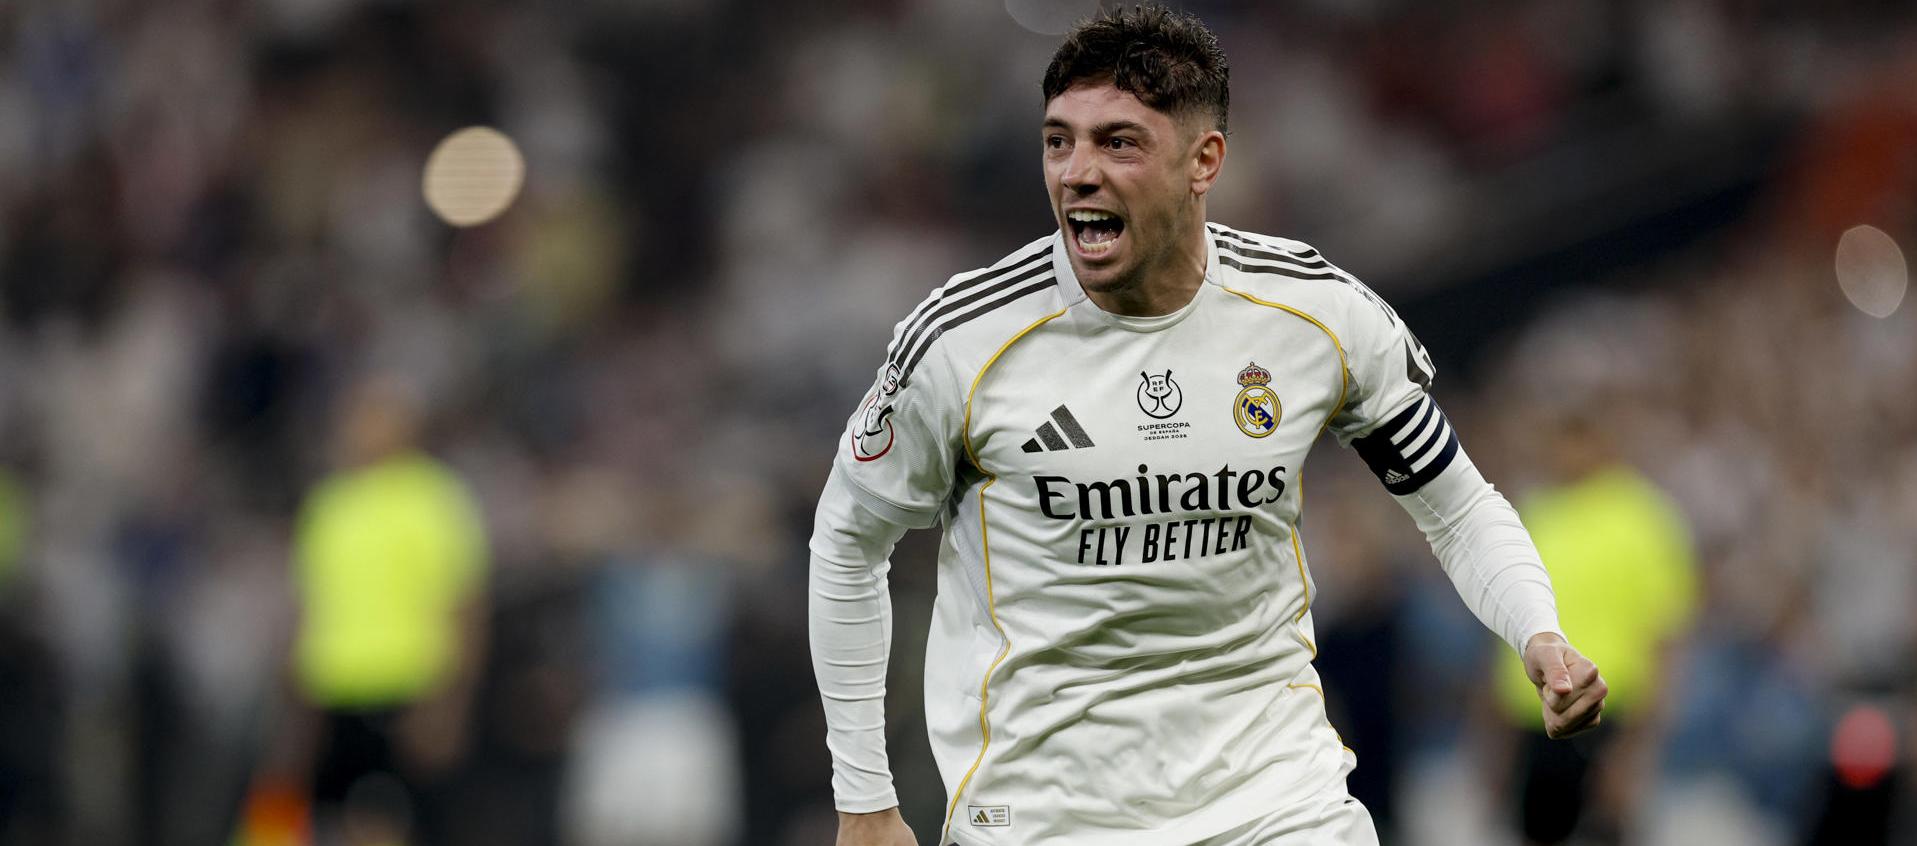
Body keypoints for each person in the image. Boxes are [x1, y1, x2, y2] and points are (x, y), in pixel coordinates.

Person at [808, 6, 1607, 844]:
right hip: (1046, 817)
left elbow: (1455, 505)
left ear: (1204, 161)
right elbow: (847, 543)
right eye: (1057, 141)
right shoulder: (963, 341)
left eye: (1117, 142)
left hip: (1278, 805)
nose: (1076, 172)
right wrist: (864, 799)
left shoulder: (1313, 316)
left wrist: (1535, 629)